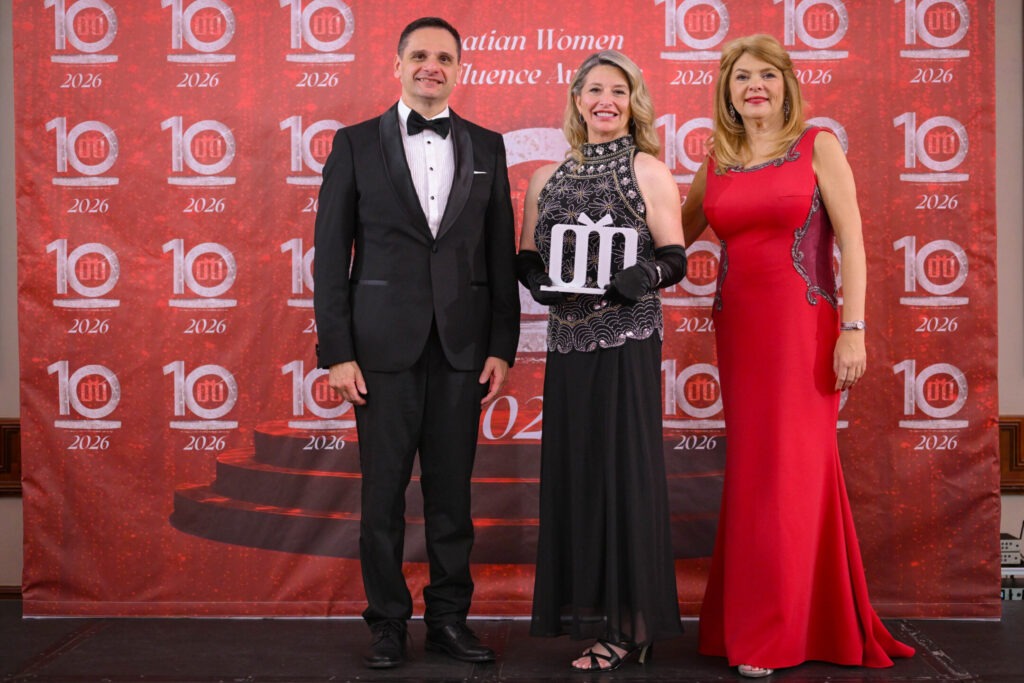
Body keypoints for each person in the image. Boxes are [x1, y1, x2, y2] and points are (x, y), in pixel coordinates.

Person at [680, 34, 916, 677]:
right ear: (727, 91)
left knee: (790, 473)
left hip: (803, 330)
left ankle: (774, 635)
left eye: (766, 75)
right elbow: (672, 237)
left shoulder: (818, 145)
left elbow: (854, 244)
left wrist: (853, 329)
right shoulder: (718, 160)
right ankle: (790, 621)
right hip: (739, 333)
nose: (754, 86)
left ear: (786, 84)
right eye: (741, 77)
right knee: (756, 473)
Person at [312, 16, 520, 670]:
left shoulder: (488, 146)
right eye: (421, 55)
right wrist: (337, 351)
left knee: (452, 498)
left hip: (462, 348)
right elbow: (329, 256)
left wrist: (502, 344)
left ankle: (449, 620)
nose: (433, 66)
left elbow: (499, 253)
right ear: (397, 65)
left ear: (460, 70)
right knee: (382, 497)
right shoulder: (353, 144)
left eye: (446, 58)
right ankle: (386, 623)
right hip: (379, 349)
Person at [517, 50, 687, 673]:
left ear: (633, 101)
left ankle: (631, 625)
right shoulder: (546, 177)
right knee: (578, 477)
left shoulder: (649, 169)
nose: (605, 100)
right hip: (568, 347)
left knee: (625, 477)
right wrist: (534, 280)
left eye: (618, 90)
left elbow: (675, 257)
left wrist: (643, 277)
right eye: (594, 90)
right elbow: (528, 255)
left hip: (626, 344)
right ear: (577, 99)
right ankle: (597, 615)